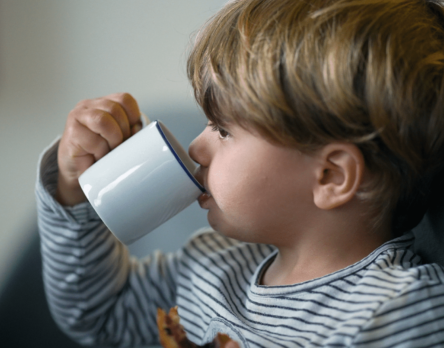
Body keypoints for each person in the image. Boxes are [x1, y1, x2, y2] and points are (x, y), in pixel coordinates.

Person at [36, 0, 444, 347]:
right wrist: (73, 189)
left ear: (331, 176)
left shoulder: (396, 315)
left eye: (223, 130)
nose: (196, 148)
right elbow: (98, 316)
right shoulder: (207, 267)